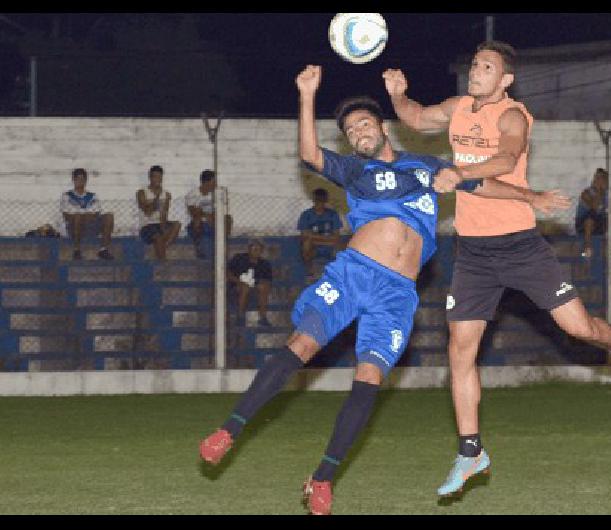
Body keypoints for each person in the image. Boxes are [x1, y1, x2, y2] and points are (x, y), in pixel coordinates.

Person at [199, 64, 559, 516]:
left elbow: (483, 184)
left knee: (368, 379)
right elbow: (311, 155)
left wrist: (533, 198)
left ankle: (323, 479)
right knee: (303, 345)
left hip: (398, 295)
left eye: (364, 123)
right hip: (354, 275)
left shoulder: (426, 167)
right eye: (350, 130)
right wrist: (306, 95)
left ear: (382, 127)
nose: (358, 132)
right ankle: (229, 431)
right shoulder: (354, 171)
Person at [384, 40, 611, 498]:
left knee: (580, 329)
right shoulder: (459, 107)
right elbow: (419, 119)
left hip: (521, 247)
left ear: (505, 79)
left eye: (487, 67)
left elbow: (506, 158)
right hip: (473, 254)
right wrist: (399, 95)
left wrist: (460, 174)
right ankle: (470, 452)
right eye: (475, 64)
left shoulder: (513, 115)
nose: (477, 71)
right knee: (460, 351)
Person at [61, 168, 114, 260]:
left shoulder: (92, 196)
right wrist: (83, 215)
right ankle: (76, 250)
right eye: (77, 179)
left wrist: (82, 216)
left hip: (90, 227)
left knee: (109, 216)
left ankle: (103, 250)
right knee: (77, 217)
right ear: (73, 180)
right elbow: (67, 216)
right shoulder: (67, 196)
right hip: (74, 228)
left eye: (82, 179)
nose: (80, 182)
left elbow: (96, 214)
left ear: (86, 180)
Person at [575, 168, 611, 258]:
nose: (598, 181)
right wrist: (599, 192)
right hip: (584, 223)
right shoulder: (586, 193)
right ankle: (587, 248)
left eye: (601, 178)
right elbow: (595, 207)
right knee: (589, 221)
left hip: (601, 221)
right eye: (596, 178)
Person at [136, 165, 181, 261]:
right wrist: (157, 198)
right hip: (147, 226)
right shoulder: (142, 192)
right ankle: (163, 261)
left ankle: (164, 246)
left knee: (177, 224)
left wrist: (163, 227)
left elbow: (164, 213)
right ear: (150, 177)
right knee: (158, 236)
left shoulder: (166, 194)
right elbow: (147, 212)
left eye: (160, 177)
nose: (158, 179)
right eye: (155, 177)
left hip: (159, 223)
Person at [185, 169, 233, 259]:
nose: (215, 184)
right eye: (213, 182)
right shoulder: (193, 194)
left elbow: (221, 210)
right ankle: (200, 244)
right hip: (200, 224)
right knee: (198, 221)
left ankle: (224, 241)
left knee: (228, 218)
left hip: (213, 221)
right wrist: (207, 216)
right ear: (206, 182)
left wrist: (210, 216)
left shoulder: (217, 194)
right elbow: (193, 212)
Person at [227, 239, 273, 327]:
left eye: (258, 249)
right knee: (245, 287)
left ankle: (263, 318)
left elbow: (267, 282)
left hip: (255, 292)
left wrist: (259, 284)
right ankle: (240, 317)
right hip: (236, 291)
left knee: (263, 287)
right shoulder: (239, 258)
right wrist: (239, 282)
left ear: (262, 251)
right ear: (249, 249)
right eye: (254, 248)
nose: (256, 250)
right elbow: (228, 273)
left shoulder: (265, 264)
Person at [297, 188, 343, 273]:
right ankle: (310, 269)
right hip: (316, 244)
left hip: (325, 243)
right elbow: (304, 235)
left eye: (322, 200)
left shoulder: (333, 214)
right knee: (306, 243)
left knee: (339, 245)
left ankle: (338, 272)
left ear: (326, 201)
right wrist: (327, 238)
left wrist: (313, 237)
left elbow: (336, 236)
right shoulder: (306, 215)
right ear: (314, 200)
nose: (320, 203)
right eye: (317, 200)